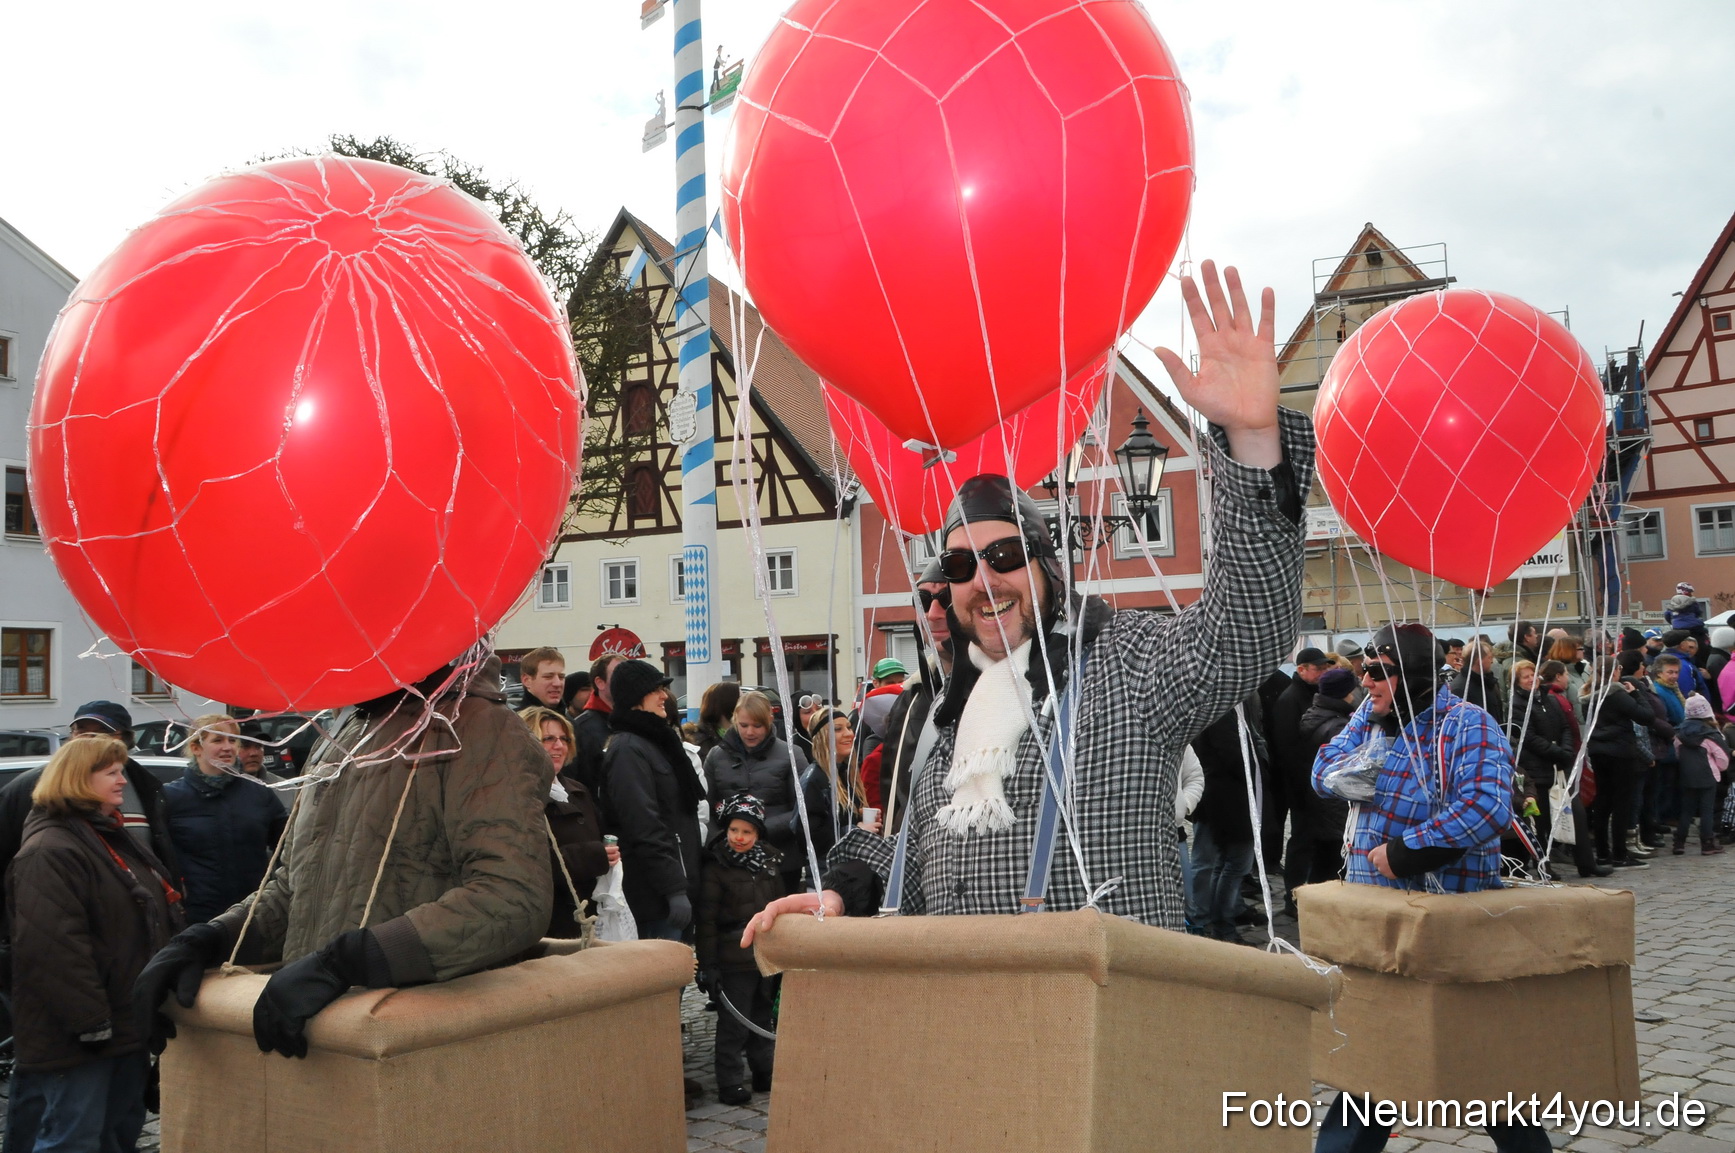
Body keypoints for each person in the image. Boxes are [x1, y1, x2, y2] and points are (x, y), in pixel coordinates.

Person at [745, 261, 1312, 934]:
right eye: (961, 565)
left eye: (1005, 556)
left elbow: (1248, 628)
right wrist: (840, 892)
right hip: (965, 994)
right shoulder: (945, 710)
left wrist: (1252, 440)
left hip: (1102, 996)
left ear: (1046, 566)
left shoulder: (1128, 662)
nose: (983, 580)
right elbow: (913, 852)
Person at [135, 655, 554, 1061]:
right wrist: (213, 939)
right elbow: (295, 890)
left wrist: (351, 961)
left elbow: (511, 897)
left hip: (419, 1049)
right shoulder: (344, 733)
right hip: (323, 1040)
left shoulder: (479, 726)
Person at [1312, 623, 1545, 1153]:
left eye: (1379, 672)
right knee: (1372, 1059)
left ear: (1414, 674)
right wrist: (1368, 764)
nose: (1365, 681)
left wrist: (1405, 850)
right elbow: (1322, 771)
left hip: (1447, 926)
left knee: (1485, 1063)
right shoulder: (1369, 718)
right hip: (1378, 926)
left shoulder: (1467, 724)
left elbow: (1487, 805)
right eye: (1364, 670)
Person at [7, 738, 182, 1153]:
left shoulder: (106, 837)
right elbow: (51, 948)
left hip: (121, 1024)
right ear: (78, 780)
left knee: (115, 1133)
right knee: (74, 1138)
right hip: (81, 1036)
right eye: (111, 773)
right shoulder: (50, 851)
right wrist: (90, 1020)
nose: (123, 781)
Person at [598, 660, 705, 941]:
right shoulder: (628, 750)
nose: (664, 696)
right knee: (660, 968)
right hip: (653, 895)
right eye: (656, 690)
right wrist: (673, 889)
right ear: (636, 696)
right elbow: (644, 826)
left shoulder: (657, 741)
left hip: (673, 885)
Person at [695, 794, 785, 1106]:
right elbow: (706, 921)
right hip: (732, 957)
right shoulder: (716, 866)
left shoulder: (770, 863)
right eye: (734, 830)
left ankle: (764, 1071)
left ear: (758, 834)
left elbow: (781, 910)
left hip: (765, 956)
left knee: (762, 1017)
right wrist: (708, 965)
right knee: (734, 1024)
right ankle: (730, 1081)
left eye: (747, 831)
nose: (740, 837)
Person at [857, 561, 954, 835]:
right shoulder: (911, 700)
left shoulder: (1004, 692)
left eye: (947, 599)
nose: (932, 614)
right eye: (922, 601)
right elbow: (896, 798)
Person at [162, 715, 288, 924]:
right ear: (196, 748)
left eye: (232, 740)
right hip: (196, 918)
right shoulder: (171, 797)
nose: (228, 747)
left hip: (252, 915)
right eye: (218, 740)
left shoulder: (259, 794)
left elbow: (287, 846)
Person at [521, 706, 615, 938]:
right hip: (549, 925)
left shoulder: (577, 790)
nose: (559, 746)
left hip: (589, 919)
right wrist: (594, 855)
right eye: (548, 739)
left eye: (564, 739)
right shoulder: (519, 795)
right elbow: (530, 863)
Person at [704, 692, 810, 894]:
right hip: (728, 861)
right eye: (743, 725)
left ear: (769, 720)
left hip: (780, 859)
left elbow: (803, 808)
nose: (750, 732)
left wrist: (758, 829)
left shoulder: (792, 754)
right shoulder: (716, 756)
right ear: (735, 720)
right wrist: (721, 839)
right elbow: (704, 807)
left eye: (757, 726)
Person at [1186, 698, 1267, 943]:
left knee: (1224, 863)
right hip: (1227, 799)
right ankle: (1212, 922)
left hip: (1228, 797)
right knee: (1227, 864)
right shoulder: (1219, 711)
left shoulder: (1229, 707)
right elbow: (1233, 755)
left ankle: (1219, 919)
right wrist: (1259, 761)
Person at [1583, 655, 1665, 870]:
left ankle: (1603, 854)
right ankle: (1619, 854)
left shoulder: (1588, 695)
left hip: (1598, 750)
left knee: (1603, 802)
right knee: (1622, 804)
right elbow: (1646, 716)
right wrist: (1636, 693)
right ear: (1616, 671)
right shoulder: (1616, 694)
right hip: (1619, 751)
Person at [1269, 647, 1331, 911]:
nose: (1323, 672)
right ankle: (1293, 898)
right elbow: (1287, 749)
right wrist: (1302, 786)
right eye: (1318, 668)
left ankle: (1312, 894)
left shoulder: (1312, 693)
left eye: (1325, 668)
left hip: (1313, 782)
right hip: (1301, 785)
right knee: (1301, 841)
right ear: (1301, 669)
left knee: (1315, 841)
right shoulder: (1290, 699)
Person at [1297, 667, 1358, 883]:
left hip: (1317, 801)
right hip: (1334, 804)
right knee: (1331, 867)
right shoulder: (1339, 726)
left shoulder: (1315, 714)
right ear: (1345, 693)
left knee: (1321, 861)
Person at [1673, 695, 1727, 856]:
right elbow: (1722, 759)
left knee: (1686, 810)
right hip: (1708, 776)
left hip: (1687, 776)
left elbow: (1677, 754)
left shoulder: (1680, 734)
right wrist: (1718, 769)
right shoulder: (1710, 734)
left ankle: (1679, 842)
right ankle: (1707, 843)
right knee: (1706, 811)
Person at [572, 654, 625, 795]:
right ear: (600, 683)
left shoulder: (636, 722)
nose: (625, 680)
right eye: (618, 674)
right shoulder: (581, 728)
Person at [1450, 640, 1505, 723]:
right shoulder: (1460, 689)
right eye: (1489, 658)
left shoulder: (1489, 683)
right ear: (1479, 661)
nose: (1492, 661)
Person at [696, 682, 743, 766]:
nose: (746, 704)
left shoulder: (746, 735)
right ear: (727, 703)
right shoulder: (699, 741)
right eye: (741, 699)